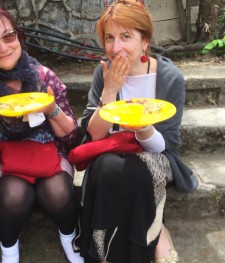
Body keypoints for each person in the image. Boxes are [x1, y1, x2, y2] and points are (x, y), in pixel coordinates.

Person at [71, 0, 199, 262]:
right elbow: (95, 135)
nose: (115, 47)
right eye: (109, 38)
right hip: (110, 153)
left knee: (138, 173)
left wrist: (143, 128)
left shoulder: (169, 77)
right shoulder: (103, 73)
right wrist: (108, 92)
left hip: (154, 155)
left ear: (145, 41)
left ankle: (140, 244)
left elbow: (168, 146)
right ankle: (132, 241)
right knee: (108, 168)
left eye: (125, 37)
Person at [0, 4, 84, 263]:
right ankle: (9, 249)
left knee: (58, 190)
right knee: (15, 194)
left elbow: (71, 138)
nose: (3, 47)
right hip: (0, 162)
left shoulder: (42, 77)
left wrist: (52, 109)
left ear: (18, 36)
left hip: (46, 152)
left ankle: (70, 236)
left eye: (8, 36)